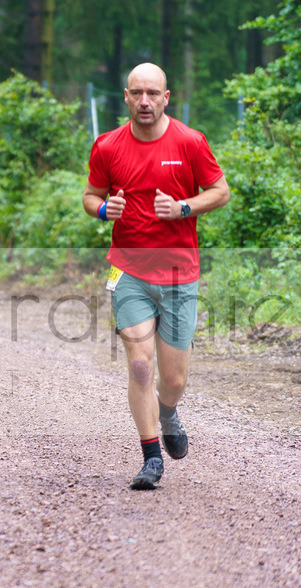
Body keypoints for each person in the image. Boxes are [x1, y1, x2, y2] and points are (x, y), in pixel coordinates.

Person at [82, 63, 230, 490]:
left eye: (153, 93)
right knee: (141, 366)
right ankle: (151, 458)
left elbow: (220, 192)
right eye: (137, 93)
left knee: (175, 378)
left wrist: (184, 207)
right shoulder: (107, 146)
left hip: (180, 274)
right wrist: (105, 208)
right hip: (129, 270)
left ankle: (168, 413)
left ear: (167, 98)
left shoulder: (190, 141)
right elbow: (91, 197)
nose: (144, 101)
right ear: (125, 97)